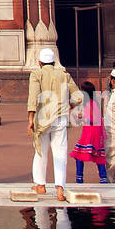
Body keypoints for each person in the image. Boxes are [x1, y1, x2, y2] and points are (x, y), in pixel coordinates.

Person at [26, 48, 82, 202]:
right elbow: (78, 95)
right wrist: (70, 105)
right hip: (61, 118)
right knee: (60, 153)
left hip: (43, 119)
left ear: (39, 62)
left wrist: (30, 118)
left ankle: (40, 185)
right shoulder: (64, 75)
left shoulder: (37, 74)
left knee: (40, 152)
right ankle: (59, 189)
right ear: (54, 62)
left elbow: (33, 96)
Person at [69, 80, 107, 184]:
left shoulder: (90, 104)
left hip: (90, 133)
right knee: (98, 156)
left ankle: (79, 178)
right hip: (95, 132)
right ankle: (103, 178)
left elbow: (92, 120)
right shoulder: (93, 103)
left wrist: (82, 117)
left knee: (79, 154)